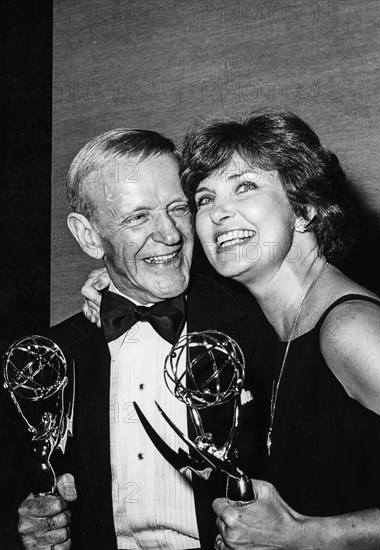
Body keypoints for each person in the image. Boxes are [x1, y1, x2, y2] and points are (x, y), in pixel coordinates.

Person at [78, 112, 380, 549]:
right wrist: (116, 281)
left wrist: (304, 535)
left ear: (304, 207)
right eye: (203, 199)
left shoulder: (350, 330)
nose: (219, 213)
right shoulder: (281, 329)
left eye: (245, 186)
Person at [1, 128, 277, 550]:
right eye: (137, 217)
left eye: (177, 208)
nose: (169, 234)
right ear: (89, 236)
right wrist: (32, 527)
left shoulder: (262, 324)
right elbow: (23, 495)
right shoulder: (50, 360)